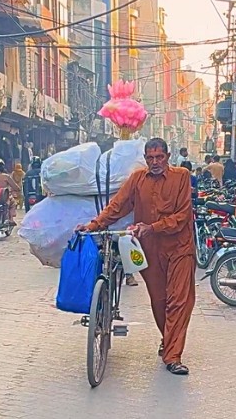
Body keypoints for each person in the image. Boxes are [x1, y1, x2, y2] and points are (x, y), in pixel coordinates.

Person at [79, 138, 194, 376]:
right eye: (150, 158)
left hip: (180, 247)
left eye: (159, 157)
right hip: (149, 248)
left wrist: (153, 227)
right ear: (145, 158)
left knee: (179, 301)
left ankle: (173, 356)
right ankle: (168, 339)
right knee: (159, 300)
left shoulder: (181, 176)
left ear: (168, 156)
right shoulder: (138, 179)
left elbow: (182, 216)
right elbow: (118, 206)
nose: (155, 162)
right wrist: (93, 225)